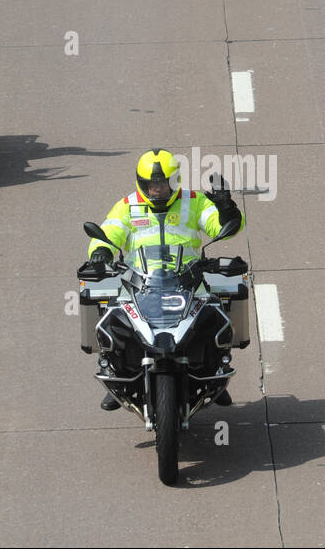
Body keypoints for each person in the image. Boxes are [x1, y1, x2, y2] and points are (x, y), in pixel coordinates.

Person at [87, 149, 245, 411]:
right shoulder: (127, 205)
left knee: (214, 315)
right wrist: (101, 251)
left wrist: (226, 208)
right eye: (151, 184)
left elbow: (221, 228)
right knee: (114, 319)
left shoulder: (193, 201)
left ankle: (214, 377)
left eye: (162, 183)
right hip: (139, 280)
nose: (157, 189)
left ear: (175, 181)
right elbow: (110, 229)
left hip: (188, 279)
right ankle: (120, 379)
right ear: (141, 182)